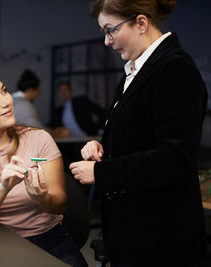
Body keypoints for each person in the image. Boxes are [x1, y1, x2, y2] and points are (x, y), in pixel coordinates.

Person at [70, 0, 207, 266]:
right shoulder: (134, 70)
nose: (107, 41)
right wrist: (102, 147)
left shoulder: (175, 68)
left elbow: (175, 157)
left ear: (141, 23)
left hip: (161, 233)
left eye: (111, 30)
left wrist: (101, 173)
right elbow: (140, 136)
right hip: (133, 227)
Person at [0, 65, 88, 267]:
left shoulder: (39, 139)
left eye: (3, 91)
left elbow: (60, 204)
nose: (6, 101)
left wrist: (42, 197)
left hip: (50, 238)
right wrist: (4, 187)